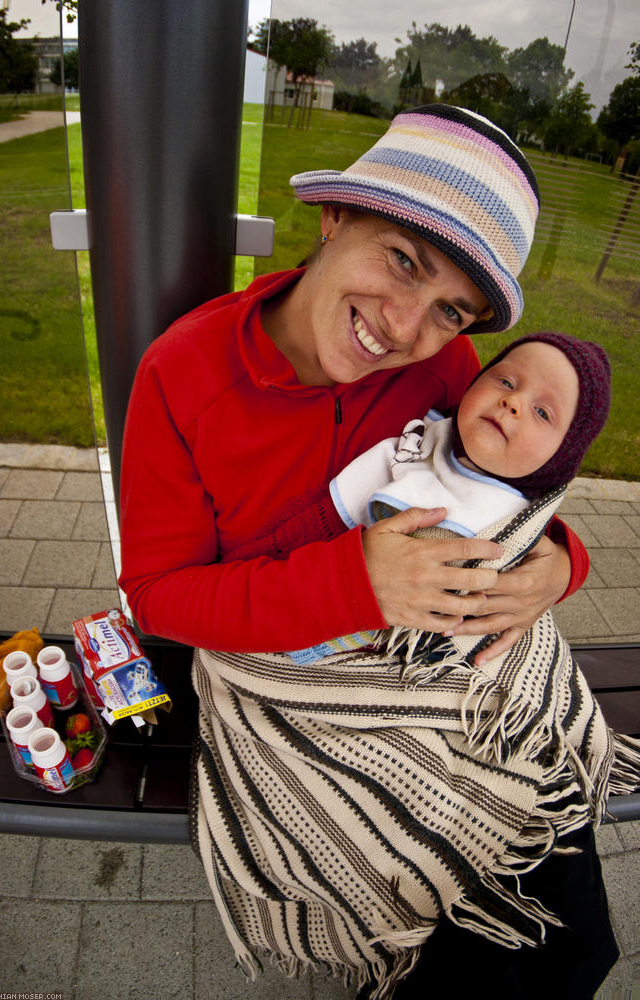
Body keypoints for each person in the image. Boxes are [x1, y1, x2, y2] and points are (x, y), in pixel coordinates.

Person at [118, 106, 632, 998]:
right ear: (333, 217)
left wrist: (558, 563)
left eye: (449, 311)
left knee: (577, 944)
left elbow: (502, 482)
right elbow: (157, 596)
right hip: (294, 694)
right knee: (474, 926)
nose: (400, 327)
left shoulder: (439, 373)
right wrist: (353, 582)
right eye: (402, 259)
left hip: (454, 684)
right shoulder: (184, 373)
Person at [289, 330, 610, 664]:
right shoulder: (430, 436)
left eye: (543, 412)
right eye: (506, 382)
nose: (512, 403)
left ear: (560, 459)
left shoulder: (508, 520)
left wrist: (567, 564)